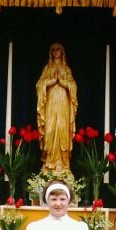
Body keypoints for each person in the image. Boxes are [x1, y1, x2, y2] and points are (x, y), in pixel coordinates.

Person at [36, 42, 78, 172]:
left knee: (62, 130)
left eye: (58, 49)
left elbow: (73, 85)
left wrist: (64, 83)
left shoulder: (66, 69)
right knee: (50, 130)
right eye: (53, 50)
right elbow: (39, 84)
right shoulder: (47, 68)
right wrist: (51, 82)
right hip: (50, 104)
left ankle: (62, 162)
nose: (55, 52)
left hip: (63, 104)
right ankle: (49, 162)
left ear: (62, 52)